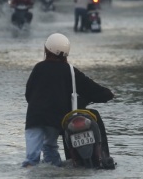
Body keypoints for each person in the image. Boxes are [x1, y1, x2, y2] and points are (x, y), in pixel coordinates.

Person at [23, 33, 114, 167]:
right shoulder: (70, 70)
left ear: (47, 50)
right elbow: (90, 88)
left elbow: (28, 94)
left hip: (34, 118)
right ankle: (56, 171)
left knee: (31, 157)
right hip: (55, 119)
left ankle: (31, 176)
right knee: (50, 147)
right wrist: (108, 94)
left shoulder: (38, 67)